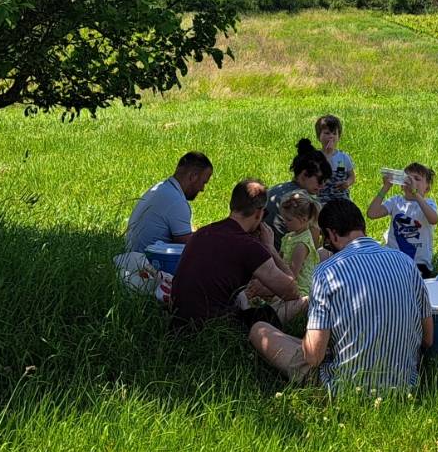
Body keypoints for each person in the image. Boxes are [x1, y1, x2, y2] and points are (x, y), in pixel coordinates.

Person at [249, 198, 431, 392]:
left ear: (332, 235)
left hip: (344, 386)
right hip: (405, 383)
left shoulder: (327, 272)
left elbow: (313, 357)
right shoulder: (406, 263)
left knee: (259, 329)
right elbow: (428, 339)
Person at [170, 178, 301, 330]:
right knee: (303, 301)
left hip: (179, 324)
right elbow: (292, 292)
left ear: (232, 205)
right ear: (259, 214)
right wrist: (270, 248)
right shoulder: (249, 246)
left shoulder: (202, 233)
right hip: (218, 329)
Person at [124, 152, 213, 255]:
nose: (202, 189)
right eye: (203, 182)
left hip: (131, 258)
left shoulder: (161, 188)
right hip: (147, 264)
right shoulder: (177, 202)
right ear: (193, 176)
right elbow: (189, 247)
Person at [368, 161, 438, 276]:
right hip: (393, 260)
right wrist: (385, 188)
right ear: (401, 184)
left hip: (419, 263)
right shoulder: (395, 201)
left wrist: (416, 194)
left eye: (417, 179)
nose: (411, 182)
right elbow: (372, 213)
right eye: (407, 178)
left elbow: (434, 219)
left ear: (427, 188)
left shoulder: (428, 204)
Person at [263, 139, 332, 242]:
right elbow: (312, 245)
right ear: (304, 175)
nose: (322, 186)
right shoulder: (305, 202)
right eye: (320, 180)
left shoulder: (276, 189)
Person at [315, 114, 355, 202]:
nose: (331, 136)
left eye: (334, 133)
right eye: (327, 133)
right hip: (321, 199)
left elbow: (352, 176)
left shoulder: (344, 157)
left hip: (341, 198)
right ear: (319, 137)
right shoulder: (315, 157)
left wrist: (347, 183)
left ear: (338, 137)